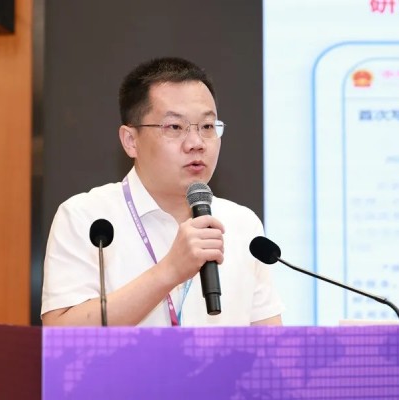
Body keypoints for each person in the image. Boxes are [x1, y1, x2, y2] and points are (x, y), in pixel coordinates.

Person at [41, 57, 283, 327]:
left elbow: (270, 342)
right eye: (175, 127)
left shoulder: (243, 224)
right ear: (131, 141)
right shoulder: (86, 218)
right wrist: (169, 271)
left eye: (207, 127)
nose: (196, 143)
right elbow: (59, 334)